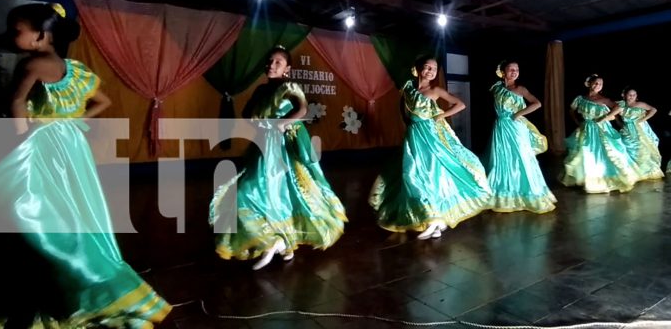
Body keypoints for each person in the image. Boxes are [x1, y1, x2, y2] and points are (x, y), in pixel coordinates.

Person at [0, 3, 171, 327]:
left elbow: (16, 102)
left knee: (34, 204)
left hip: (42, 144)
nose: (10, 35)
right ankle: (72, 274)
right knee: (73, 204)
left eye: (16, 30)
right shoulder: (73, 68)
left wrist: (22, 141)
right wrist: (71, 119)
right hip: (71, 145)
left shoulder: (32, 65)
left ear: (40, 36)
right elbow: (103, 101)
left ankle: (47, 273)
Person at [209, 45, 347, 270]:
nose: (271, 65)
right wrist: (258, 122)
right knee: (270, 191)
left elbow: (302, 109)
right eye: (269, 61)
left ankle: (274, 240)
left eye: (277, 63)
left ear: (287, 69)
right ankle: (284, 244)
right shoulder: (260, 90)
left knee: (258, 191)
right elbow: (247, 114)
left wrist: (279, 125)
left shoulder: (289, 86)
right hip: (263, 143)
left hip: (281, 146)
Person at [369, 55, 492, 240]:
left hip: (430, 136)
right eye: (427, 68)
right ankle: (434, 222)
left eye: (434, 69)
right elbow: (403, 111)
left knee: (427, 173)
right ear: (418, 69)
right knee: (411, 173)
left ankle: (435, 218)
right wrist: (409, 126)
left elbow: (460, 104)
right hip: (413, 135)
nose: (431, 72)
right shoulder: (408, 89)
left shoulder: (435, 90)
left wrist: (441, 116)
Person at [487, 61, 556, 213]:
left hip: (516, 127)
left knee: (521, 157)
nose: (514, 72)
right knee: (502, 159)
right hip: (500, 127)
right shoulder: (496, 88)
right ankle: (505, 195)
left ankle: (527, 193)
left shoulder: (520, 89)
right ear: (503, 72)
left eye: (517, 69)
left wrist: (519, 113)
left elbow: (537, 103)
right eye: (511, 69)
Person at [561, 74, 639, 193]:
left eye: (601, 84)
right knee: (584, 152)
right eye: (596, 83)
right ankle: (585, 179)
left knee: (603, 153)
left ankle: (603, 179)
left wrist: (605, 118)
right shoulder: (580, 98)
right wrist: (577, 121)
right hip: (586, 128)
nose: (598, 85)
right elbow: (571, 110)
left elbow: (619, 107)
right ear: (589, 83)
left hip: (600, 129)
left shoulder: (603, 99)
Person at [617, 87, 664, 181]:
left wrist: (643, 119)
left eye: (634, 95)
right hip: (627, 130)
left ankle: (644, 172)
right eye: (630, 95)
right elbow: (615, 116)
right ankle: (633, 172)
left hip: (640, 130)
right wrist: (621, 125)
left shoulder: (639, 104)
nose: (632, 97)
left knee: (642, 149)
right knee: (627, 149)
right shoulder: (621, 105)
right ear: (625, 95)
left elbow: (653, 110)